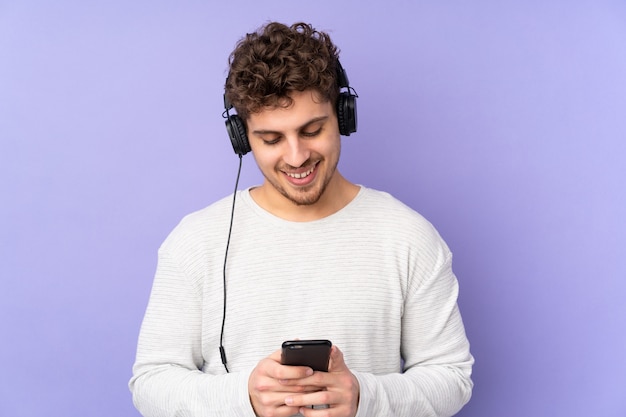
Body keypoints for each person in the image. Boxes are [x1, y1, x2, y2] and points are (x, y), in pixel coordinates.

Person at [129, 21, 474, 417]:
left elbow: (451, 377)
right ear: (241, 138)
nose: (296, 157)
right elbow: (151, 384)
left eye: (312, 130)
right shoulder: (196, 240)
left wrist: (363, 397)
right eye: (271, 139)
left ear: (343, 117)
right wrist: (244, 398)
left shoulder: (408, 236)